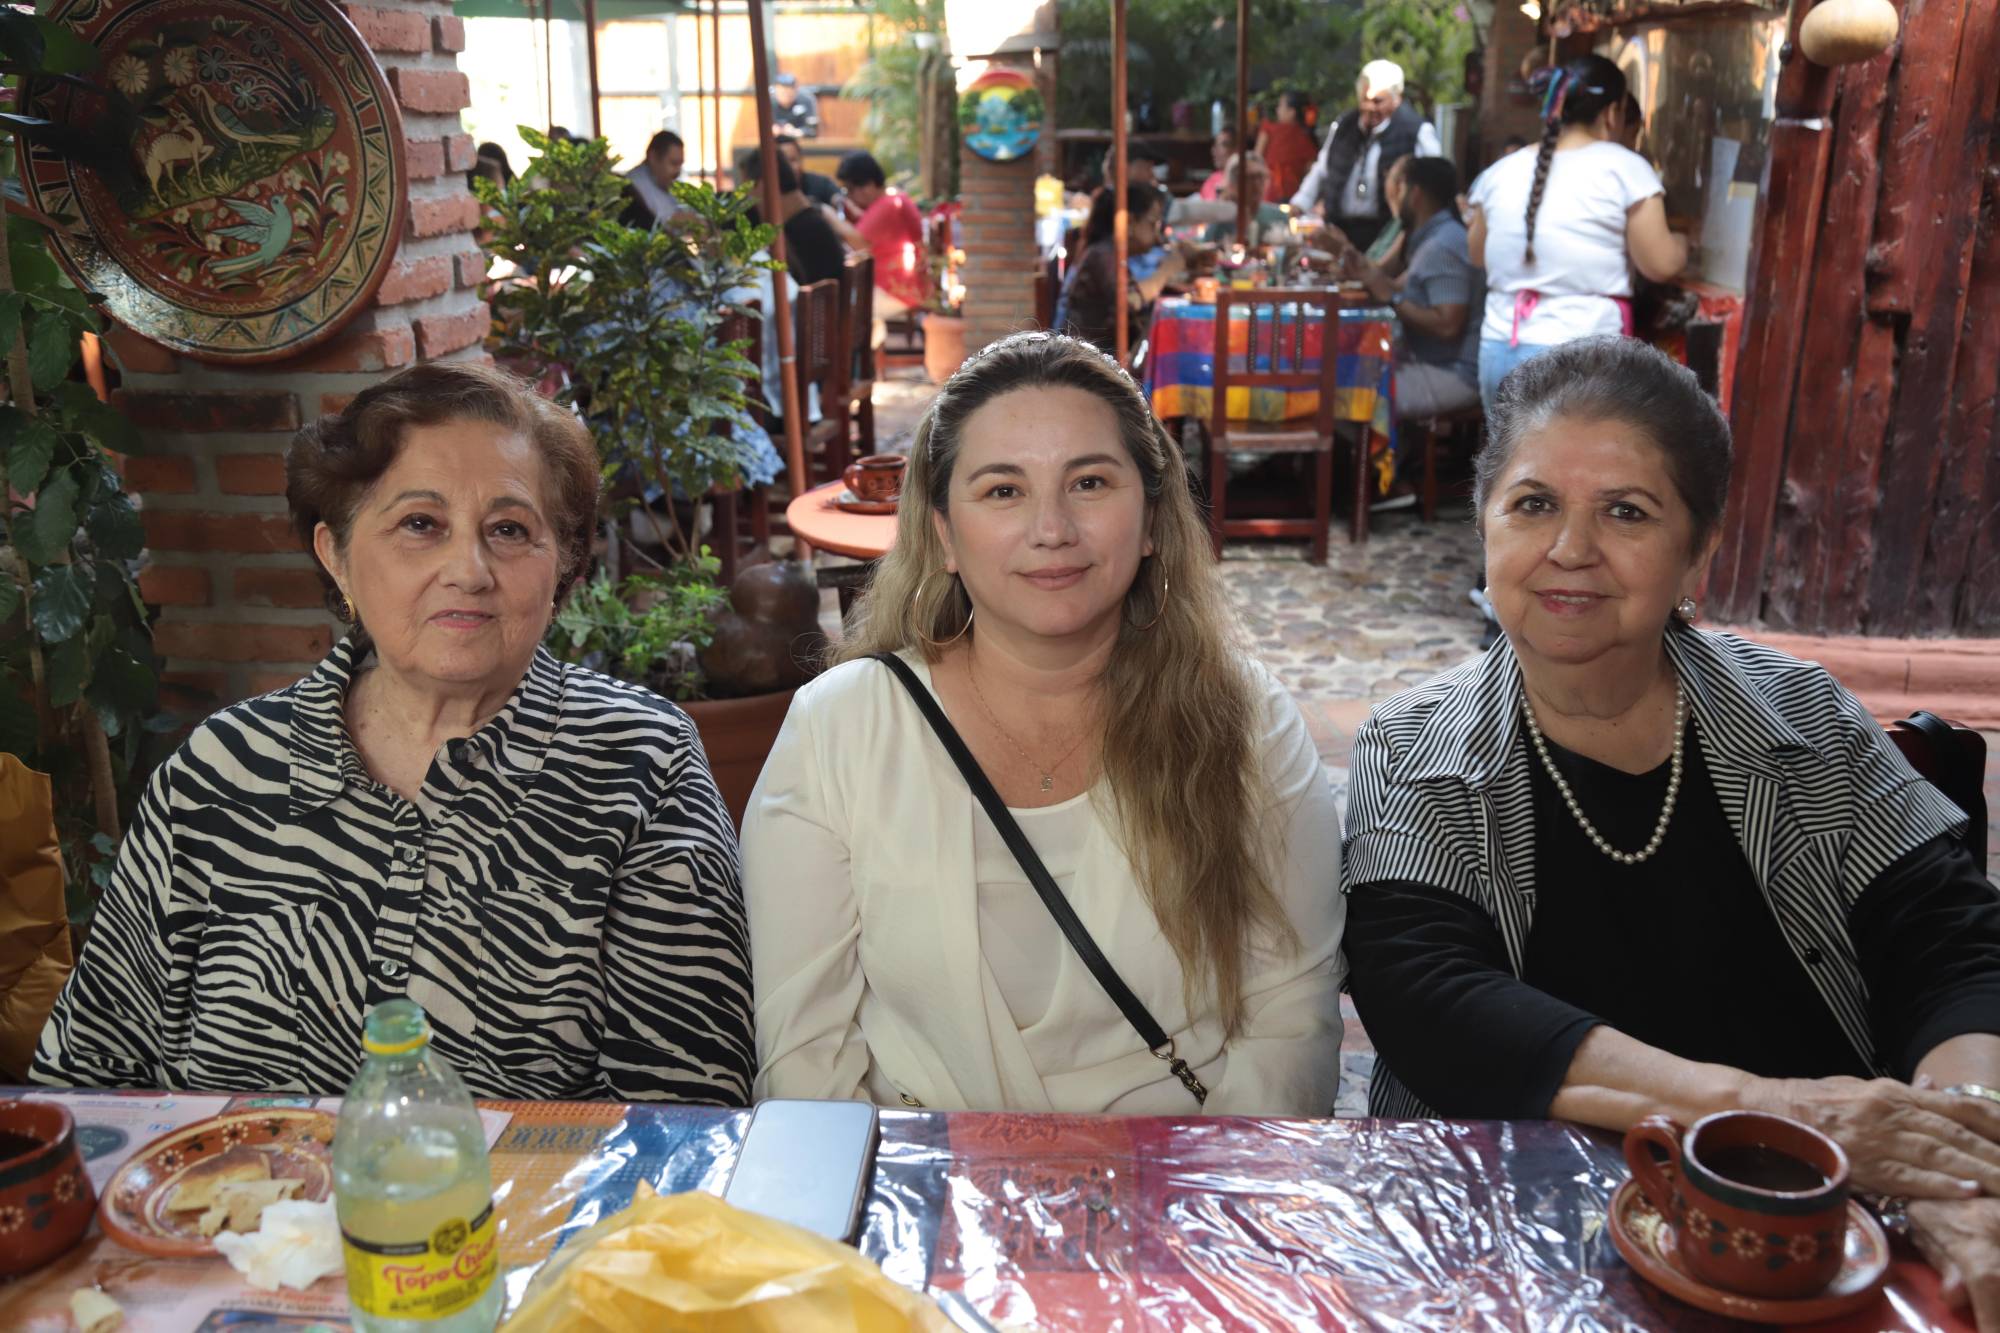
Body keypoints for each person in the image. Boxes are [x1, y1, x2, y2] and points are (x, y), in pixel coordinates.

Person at [1341, 337, 2000, 1318]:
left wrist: (1955, 1153)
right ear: (1484, 528)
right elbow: (1431, 1001)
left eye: (1625, 511)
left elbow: (1950, 944)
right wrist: (1778, 1113)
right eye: (1531, 504)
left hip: (1822, 1232)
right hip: (1521, 1241)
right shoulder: (1413, 744)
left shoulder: (1800, 716)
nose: (1569, 549)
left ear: (1696, 550)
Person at [32, 362, 755, 1103]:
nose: (468, 570)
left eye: (509, 529)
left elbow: (681, 1118)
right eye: (420, 524)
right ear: (336, 555)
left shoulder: (639, 762)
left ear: (562, 564)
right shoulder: (218, 774)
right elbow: (90, 1080)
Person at [743, 331, 1346, 1114]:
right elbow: (807, 1064)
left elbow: (1290, 1030)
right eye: (1003, 490)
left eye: (1090, 481)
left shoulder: (1246, 721)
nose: (1052, 528)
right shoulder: (840, 729)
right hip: (924, 1199)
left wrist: (1190, 1210)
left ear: (1154, 518)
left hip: (1181, 1197)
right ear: (943, 535)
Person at [1465, 56, 1687, 411]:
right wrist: (1682, 245)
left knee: (1510, 464)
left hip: (1501, 348)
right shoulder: (1625, 168)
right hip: (1582, 357)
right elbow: (1660, 265)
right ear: (1613, 112)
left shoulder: (1500, 172)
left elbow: (1477, 254)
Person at [1344, 157, 1481, 421]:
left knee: (1345, 395)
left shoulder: (1442, 245)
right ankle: (1392, 456)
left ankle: (1380, 459)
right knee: (1342, 375)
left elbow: (1448, 325)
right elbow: (1394, 284)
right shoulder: (1433, 236)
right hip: (1427, 361)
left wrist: (1391, 298)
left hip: (1452, 373)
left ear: (1413, 193)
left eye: (1398, 185)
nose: (1392, 193)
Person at [1289, 60, 1442, 251]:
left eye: (1378, 101)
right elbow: (1322, 168)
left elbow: (1434, 182)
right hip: (1340, 228)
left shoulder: (1416, 130)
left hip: (1386, 233)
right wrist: (1299, 204)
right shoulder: (1344, 126)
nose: (1371, 107)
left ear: (1397, 99)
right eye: (1365, 100)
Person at [1055, 183, 1189, 355]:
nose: (1158, 236)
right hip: (1084, 361)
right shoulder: (1103, 255)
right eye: (1153, 223)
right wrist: (1166, 271)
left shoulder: (1113, 254)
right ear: (1130, 222)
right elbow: (1129, 301)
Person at [836, 150, 929, 315]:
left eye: (849, 189)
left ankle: (873, 341)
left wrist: (827, 215)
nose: (849, 196)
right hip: (905, 287)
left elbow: (857, 242)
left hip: (896, 291)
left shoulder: (888, 205)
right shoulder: (893, 200)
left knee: (847, 316)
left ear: (867, 186)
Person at [744, 149, 847, 287]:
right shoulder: (810, 221)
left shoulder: (796, 233)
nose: (747, 199)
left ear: (762, 186)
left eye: (746, 190)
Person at [1200, 152, 1287, 248]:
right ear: (1234, 182)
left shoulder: (1278, 216)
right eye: (1250, 178)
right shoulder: (1222, 219)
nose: (1256, 184)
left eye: (1260, 177)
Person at [1255, 91, 1318, 206]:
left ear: (1292, 112)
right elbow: (1311, 174)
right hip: (1294, 199)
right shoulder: (1306, 139)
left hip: (1268, 195)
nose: (1277, 110)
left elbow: (1255, 159)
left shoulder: (1268, 130)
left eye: (1280, 106)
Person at [621, 129, 684, 228]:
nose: (678, 171)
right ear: (653, 157)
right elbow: (666, 221)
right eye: (674, 163)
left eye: (680, 164)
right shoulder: (634, 184)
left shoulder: (664, 181)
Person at [771, 72, 819, 138]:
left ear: (796, 90)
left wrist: (796, 132)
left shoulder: (806, 100)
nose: (785, 95)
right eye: (782, 93)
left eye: (789, 93)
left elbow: (812, 130)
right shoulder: (770, 102)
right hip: (775, 142)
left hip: (802, 143)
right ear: (776, 91)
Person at [1198, 127, 1237, 201]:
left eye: (1223, 145)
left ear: (1236, 149)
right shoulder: (1211, 181)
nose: (1214, 151)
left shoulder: (1246, 182)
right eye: (1215, 145)